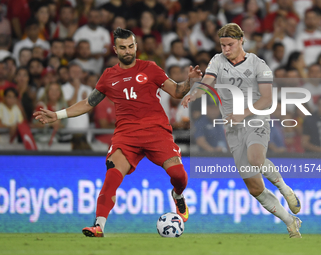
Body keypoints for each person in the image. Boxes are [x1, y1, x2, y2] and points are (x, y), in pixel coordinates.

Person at [34, 28, 202, 237]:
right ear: (115, 49)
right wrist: (57, 115)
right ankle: (98, 225)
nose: (128, 51)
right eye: (123, 47)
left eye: (131, 46)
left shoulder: (150, 68)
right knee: (112, 177)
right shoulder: (108, 76)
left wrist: (190, 82)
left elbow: (177, 91)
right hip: (126, 135)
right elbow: (88, 103)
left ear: (136, 46)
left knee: (179, 176)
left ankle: (177, 196)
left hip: (156, 131)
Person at [182, 23, 302, 238]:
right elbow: (207, 82)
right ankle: (290, 222)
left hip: (256, 119)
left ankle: (285, 188)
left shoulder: (258, 64)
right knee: (255, 188)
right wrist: (194, 93)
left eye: (230, 44)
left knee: (255, 158)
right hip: (232, 127)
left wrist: (242, 113)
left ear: (241, 41)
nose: (225, 49)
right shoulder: (217, 61)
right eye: (222, 45)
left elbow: (266, 98)